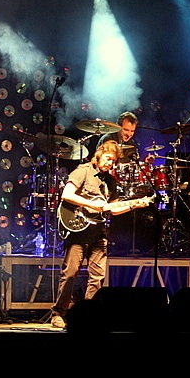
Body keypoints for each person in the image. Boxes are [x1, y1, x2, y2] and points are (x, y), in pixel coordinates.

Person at [49, 140, 151, 329]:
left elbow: (111, 208)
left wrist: (134, 204)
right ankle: (59, 313)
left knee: (97, 276)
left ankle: (90, 315)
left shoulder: (110, 181)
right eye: (108, 159)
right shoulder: (84, 171)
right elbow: (66, 194)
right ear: (99, 154)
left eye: (113, 161)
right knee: (70, 273)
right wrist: (91, 204)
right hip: (78, 230)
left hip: (99, 232)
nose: (110, 164)